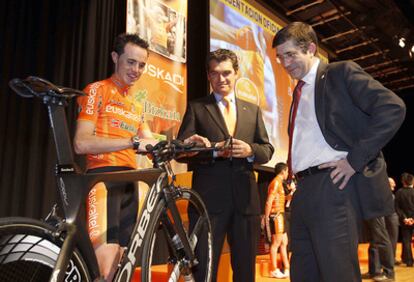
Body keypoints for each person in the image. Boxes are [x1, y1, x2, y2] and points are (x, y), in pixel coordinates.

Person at [272, 22, 406, 282]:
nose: (284, 63)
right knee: (303, 274)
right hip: (302, 191)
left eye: (290, 55)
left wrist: (354, 160)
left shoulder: (339, 73)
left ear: (311, 49)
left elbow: (393, 107)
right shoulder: (298, 91)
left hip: (332, 186)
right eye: (279, 57)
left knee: (338, 273)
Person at [177, 48, 274, 282]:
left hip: (246, 202)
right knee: (204, 268)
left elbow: (267, 150)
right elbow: (181, 151)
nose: (222, 79)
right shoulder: (197, 107)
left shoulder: (252, 110)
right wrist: (212, 151)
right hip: (208, 203)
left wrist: (251, 151)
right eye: (215, 73)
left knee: (245, 269)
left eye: (227, 73)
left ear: (237, 73)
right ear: (209, 76)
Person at [74, 33, 157, 280]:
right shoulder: (96, 90)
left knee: (123, 266)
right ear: (114, 57)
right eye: (130, 62)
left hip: (132, 183)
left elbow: (150, 143)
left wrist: (186, 146)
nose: (136, 70)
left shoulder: (137, 104)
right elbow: (80, 142)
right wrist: (131, 142)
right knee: (106, 264)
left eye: (142, 65)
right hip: (103, 179)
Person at [262, 162, 290, 278]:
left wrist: (292, 193)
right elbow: (269, 201)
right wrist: (267, 218)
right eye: (287, 171)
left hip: (280, 215)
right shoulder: (276, 182)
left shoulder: (280, 183)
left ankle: (287, 269)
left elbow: (283, 198)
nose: (288, 174)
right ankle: (273, 270)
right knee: (276, 244)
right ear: (283, 171)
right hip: (276, 215)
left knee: (284, 242)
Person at [395, 172, 414, 267]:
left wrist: (405, 218)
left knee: (406, 240)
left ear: (403, 182)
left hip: (404, 221)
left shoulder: (399, 192)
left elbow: (397, 208)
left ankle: (409, 261)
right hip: (412, 219)